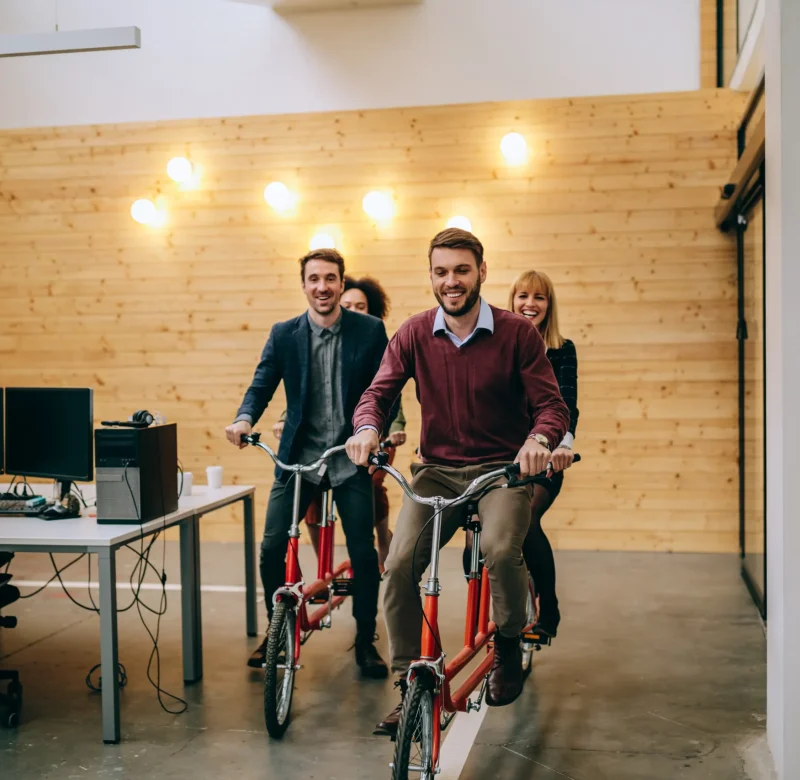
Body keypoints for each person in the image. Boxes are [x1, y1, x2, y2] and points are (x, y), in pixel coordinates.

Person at [345, 228, 570, 737]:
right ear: (431, 277)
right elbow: (377, 393)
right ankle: (409, 684)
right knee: (400, 563)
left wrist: (539, 438)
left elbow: (551, 405)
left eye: (462, 270)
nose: (452, 281)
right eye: (441, 272)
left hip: (502, 472)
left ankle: (509, 642)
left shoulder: (517, 334)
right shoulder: (413, 333)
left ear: (482, 273)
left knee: (497, 546)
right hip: (437, 472)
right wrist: (366, 428)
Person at [225, 248, 390, 678]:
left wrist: (374, 434)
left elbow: (384, 390)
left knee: (363, 554)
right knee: (270, 548)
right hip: (299, 458)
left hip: (348, 458)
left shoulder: (370, 331)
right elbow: (261, 384)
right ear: (304, 285)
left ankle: (366, 639)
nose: (323, 287)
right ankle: (278, 630)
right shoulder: (284, 334)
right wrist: (245, 419)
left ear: (340, 283)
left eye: (330, 278)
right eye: (314, 278)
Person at [463, 270, 578, 639]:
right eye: (523, 296)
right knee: (474, 538)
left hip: (543, 456)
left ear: (549, 306)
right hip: (498, 455)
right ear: (511, 301)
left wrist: (562, 445)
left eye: (539, 298)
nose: (530, 304)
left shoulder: (562, 349)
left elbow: (566, 404)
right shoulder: (498, 343)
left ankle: (548, 606)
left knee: (525, 520)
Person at [272, 276, 408, 570]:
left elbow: (388, 392)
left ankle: (382, 540)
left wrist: (394, 428)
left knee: (371, 485)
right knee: (308, 494)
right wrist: (284, 419)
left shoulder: (375, 339)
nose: (354, 311)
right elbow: (309, 396)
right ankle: (324, 565)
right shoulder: (328, 338)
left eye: (362, 306)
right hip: (324, 443)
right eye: (348, 305)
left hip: (371, 436)